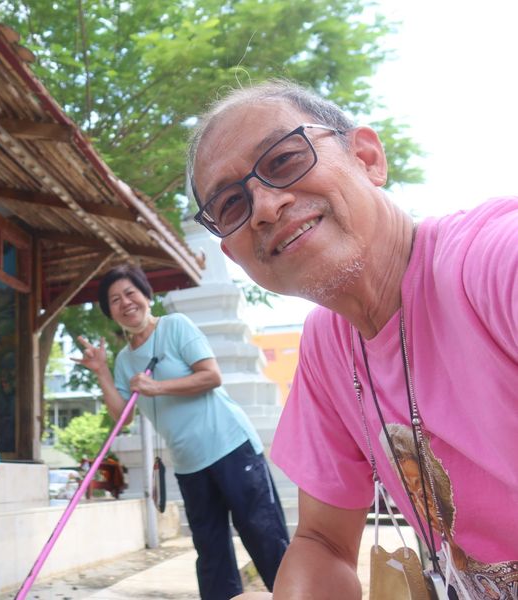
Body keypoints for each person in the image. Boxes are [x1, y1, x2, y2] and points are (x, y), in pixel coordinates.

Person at [187, 80, 517, 599]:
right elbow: (323, 541)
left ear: (367, 158)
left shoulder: (491, 263)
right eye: (231, 204)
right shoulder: (327, 346)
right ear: (234, 255)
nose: (265, 206)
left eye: (284, 160)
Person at [73, 263, 289, 600]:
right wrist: (101, 371)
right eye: (115, 300)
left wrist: (157, 388)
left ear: (146, 295)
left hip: (231, 446)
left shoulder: (175, 326)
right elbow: (122, 417)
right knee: (211, 554)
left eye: (130, 293)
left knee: (264, 535)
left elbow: (211, 376)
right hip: (189, 465)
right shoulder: (124, 361)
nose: (125, 302)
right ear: (109, 312)